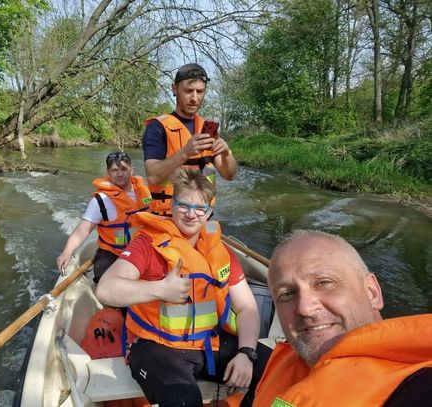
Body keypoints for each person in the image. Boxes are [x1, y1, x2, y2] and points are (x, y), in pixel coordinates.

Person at [96, 168, 261, 407]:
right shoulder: (147, 244)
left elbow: (247, 308)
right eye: (183, 205)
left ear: (209, 213)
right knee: (182, 399)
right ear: (172, 206)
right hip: (155, 346)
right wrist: (160, 289)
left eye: (200, 209)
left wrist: (246, 353)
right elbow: (106, 289)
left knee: (273, 369)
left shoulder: (221, 251)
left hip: (208, 343)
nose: (191, 214)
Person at [253, 230, 432, 406]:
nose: (305, 308)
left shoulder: (417, 387)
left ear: (372, 292)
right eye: (288, 293)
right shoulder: (287, 358)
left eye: (324, 282)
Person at [143, 63, 238, 216]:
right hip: (168, 219)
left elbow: (230, 175)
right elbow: (153, 176)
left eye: (200, 91)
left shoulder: (207, 128)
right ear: (174, 89)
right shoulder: (157, 127)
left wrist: (227, 154)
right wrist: (186, 152)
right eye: (188, 91)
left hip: (201, 217)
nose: (194, 98)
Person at [56, 152, 152, 282]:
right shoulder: (101, 201)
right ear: (108, 172)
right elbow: (84, 228)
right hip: (112, 251)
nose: (120, 174)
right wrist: (67, 252)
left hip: (142, 248)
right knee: (103, 279)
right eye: (115, 170)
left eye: (124, 169)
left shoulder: (146, 192)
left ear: (132, 169)